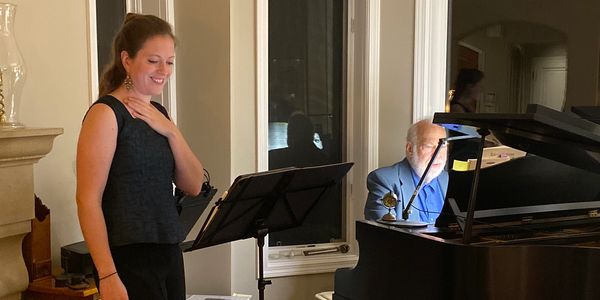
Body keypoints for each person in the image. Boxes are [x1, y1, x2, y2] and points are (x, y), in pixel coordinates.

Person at [76, 13, 204, 300]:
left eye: (169, 61)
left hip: (168, 252)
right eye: (153, 60)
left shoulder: (160, 115)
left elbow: (194, 185)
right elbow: (87, 200)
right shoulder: (106, 114)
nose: (164, 70)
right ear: (127, 60)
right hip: (126, 259)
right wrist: (107, 276)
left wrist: (171, 131)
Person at [364, 120, 448, 224]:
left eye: (443, 145)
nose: (438, 154)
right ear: (410, 149)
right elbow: (384, 235)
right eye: (429, 146)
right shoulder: (384, 180)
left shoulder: (448, 179)